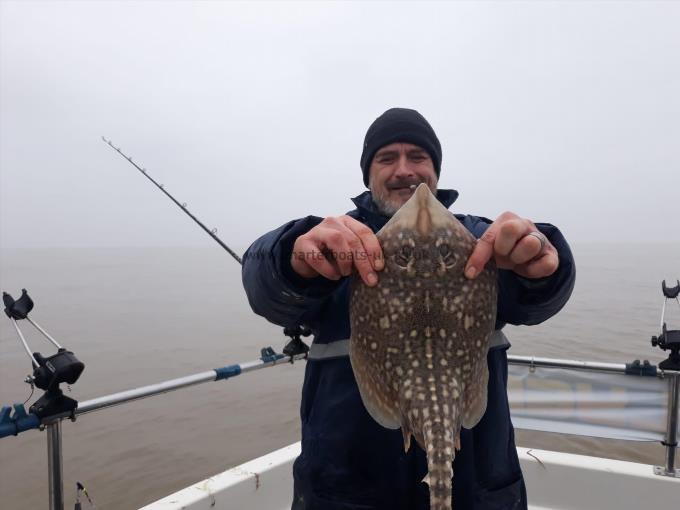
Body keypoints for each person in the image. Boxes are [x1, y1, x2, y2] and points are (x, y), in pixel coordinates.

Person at [242, 108, 575, 510]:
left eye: (417, 156)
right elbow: (263, 285)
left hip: (478, 487)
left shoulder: (479, 242)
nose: (404, 170)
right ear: (367, 174)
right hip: (346, 488)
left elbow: (539, 298)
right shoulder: (337, 242)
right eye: (387, 158)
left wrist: (540, 263)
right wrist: (291, 260)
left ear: (435, 169)